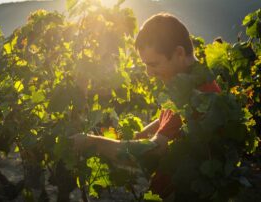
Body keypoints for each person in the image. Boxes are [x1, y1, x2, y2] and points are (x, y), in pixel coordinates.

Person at [72, 12, 221, 198]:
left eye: (154, 64)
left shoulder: (197, 94)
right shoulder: (184, 81)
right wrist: (136, 135)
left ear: (179, 53)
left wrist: (92, 142)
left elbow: (154, 151)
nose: (149, 74)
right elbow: (166, 122)